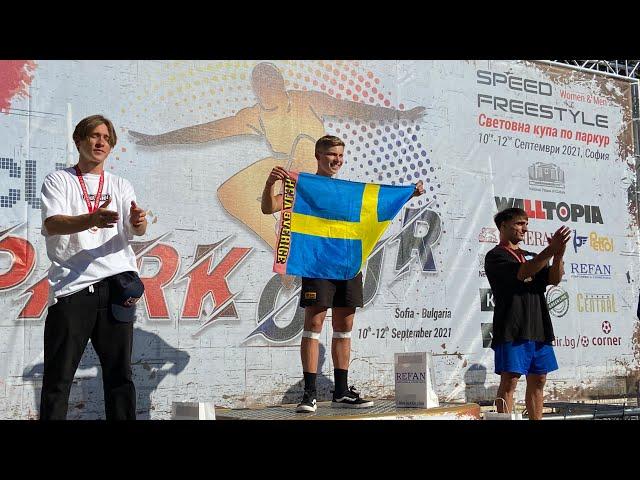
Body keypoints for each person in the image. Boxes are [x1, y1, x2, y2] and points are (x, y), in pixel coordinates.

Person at [130, 62, 425, 251]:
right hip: (286, 166)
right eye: (259, 86)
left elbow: (354, 109)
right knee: (229, 193)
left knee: (304, 172)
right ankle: (280, 245)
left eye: (270, 83)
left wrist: (400, 115)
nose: (265, 90)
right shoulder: (255, 115)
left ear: (281, 84)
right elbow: (208, 131)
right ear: (256, 90)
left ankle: (300, 229)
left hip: (314, 167)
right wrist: (158, 140)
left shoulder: (306, 100)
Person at [261, 135, 424, 413]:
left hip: (348, 266)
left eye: (340, 156)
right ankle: (309, 394)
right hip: (317, 266)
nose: (336, 160)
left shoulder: (349, 192)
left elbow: (378, 204)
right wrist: (269, 184)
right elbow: (269, 208)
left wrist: (408, 192)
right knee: (313, 327)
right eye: (330, 155)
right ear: (318, 156)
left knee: (344, 328)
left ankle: (340, 391)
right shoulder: (303, 187)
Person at [39, 114, 148, 420]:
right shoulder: (59, 180)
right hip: (73, 290)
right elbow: (53, 223)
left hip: (115, 289)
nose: (101, 142)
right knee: (58, 380)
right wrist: (92, 219)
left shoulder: (121, 185)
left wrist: (139, 223)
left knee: (120, 378)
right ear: (79, 141)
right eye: (94, 136)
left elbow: (133, 230)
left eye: (106, 138)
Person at [484, 207, 570, 420]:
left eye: (527, 224)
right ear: (503, 226)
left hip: (539, 325)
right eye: (520, 223)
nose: (525, 228)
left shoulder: (531, 255)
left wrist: (558, 254)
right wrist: (550, 250)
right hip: (512, 327)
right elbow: (523, 273)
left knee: (539, 379)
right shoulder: (496, 255)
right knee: (510, 380)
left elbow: (554, 279)